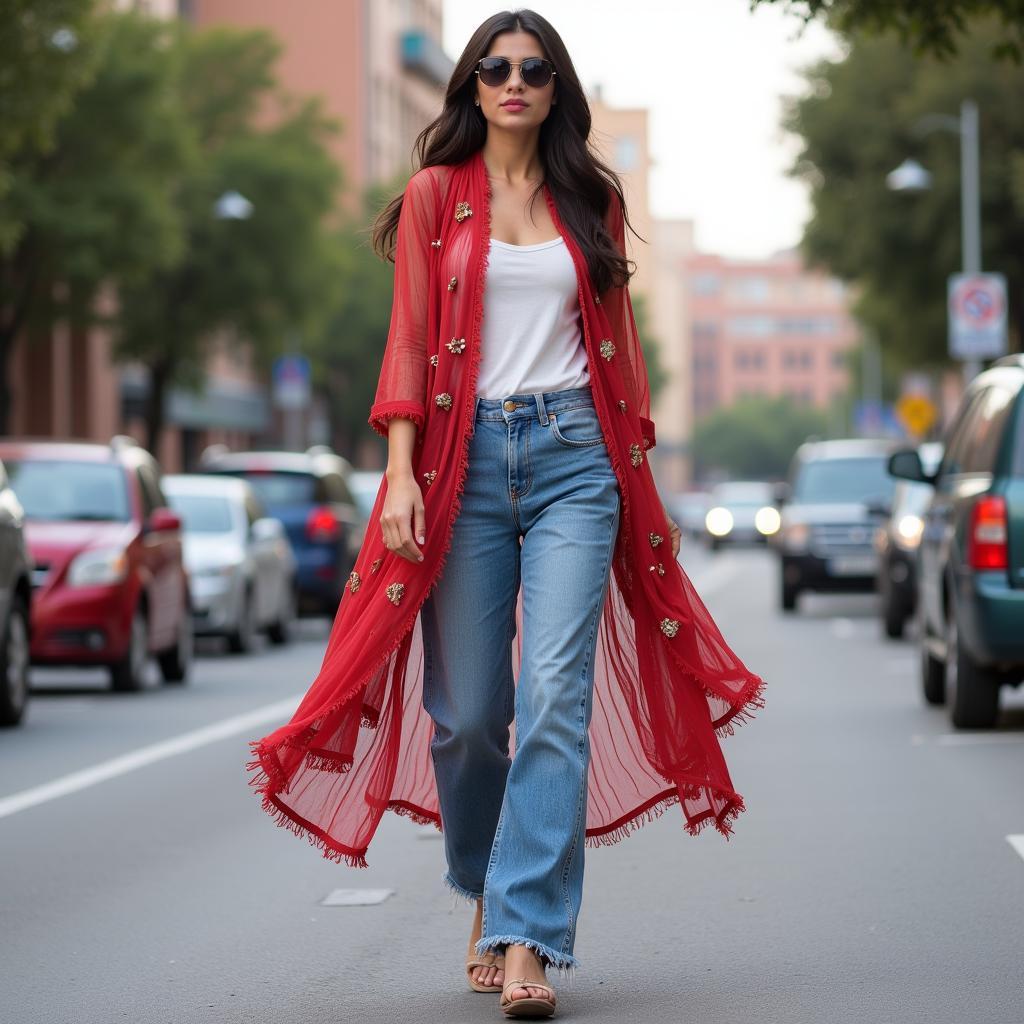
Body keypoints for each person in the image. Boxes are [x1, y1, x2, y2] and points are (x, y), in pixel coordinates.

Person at [246, 9, 764, 1021]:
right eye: (494, 67)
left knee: (556, 692)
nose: (513, 80)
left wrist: (636, 461)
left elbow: (615, 343)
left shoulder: (590, 200)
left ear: (553, 86)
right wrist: (398, 472)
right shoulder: (435, 196)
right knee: (472, 715)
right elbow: (408, 340)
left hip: (577, 456)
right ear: (472, 86)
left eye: (532, 68)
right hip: (461, 462)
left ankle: (528, 934)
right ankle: (487, 880)